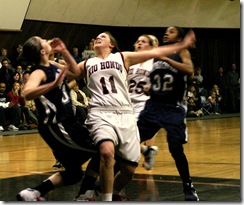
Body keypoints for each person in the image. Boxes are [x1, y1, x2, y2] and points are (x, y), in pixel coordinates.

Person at [75, 30, 196, 201]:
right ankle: (96, 188)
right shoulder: (127, 61)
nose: (139, 44)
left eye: (144, 42)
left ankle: (187, 186)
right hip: (125, 107)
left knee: (172, 148)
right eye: (137, 41)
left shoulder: (156, 62)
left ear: (153, 46)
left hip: (145, 108)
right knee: (108, 149)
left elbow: (177, 75)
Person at [16, 36, 99, 201]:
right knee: (102, 149)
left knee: (74, 174)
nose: (47, 40)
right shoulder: (39, 71)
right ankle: (86, 192)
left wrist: (64, 51)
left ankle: (34, 192)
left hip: (66, 124)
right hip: (58, 126)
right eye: (43, 40)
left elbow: (75, 73)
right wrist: (51, 86)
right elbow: (27, 92)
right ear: (42, 51)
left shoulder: (52, 65)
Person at [136, 26, 199, 201]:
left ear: (179, 38)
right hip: (153, 106)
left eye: (171, 31)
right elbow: (158, 76)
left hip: (172, 108)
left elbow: (189, 70)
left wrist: (167, 59)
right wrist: (150, 86)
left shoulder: (182, 51)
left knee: (175, 148)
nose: (166, 33)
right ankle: (106, 182)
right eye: (166, 31)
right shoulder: (159, 52)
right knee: (131, 141)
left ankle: (188, 185)